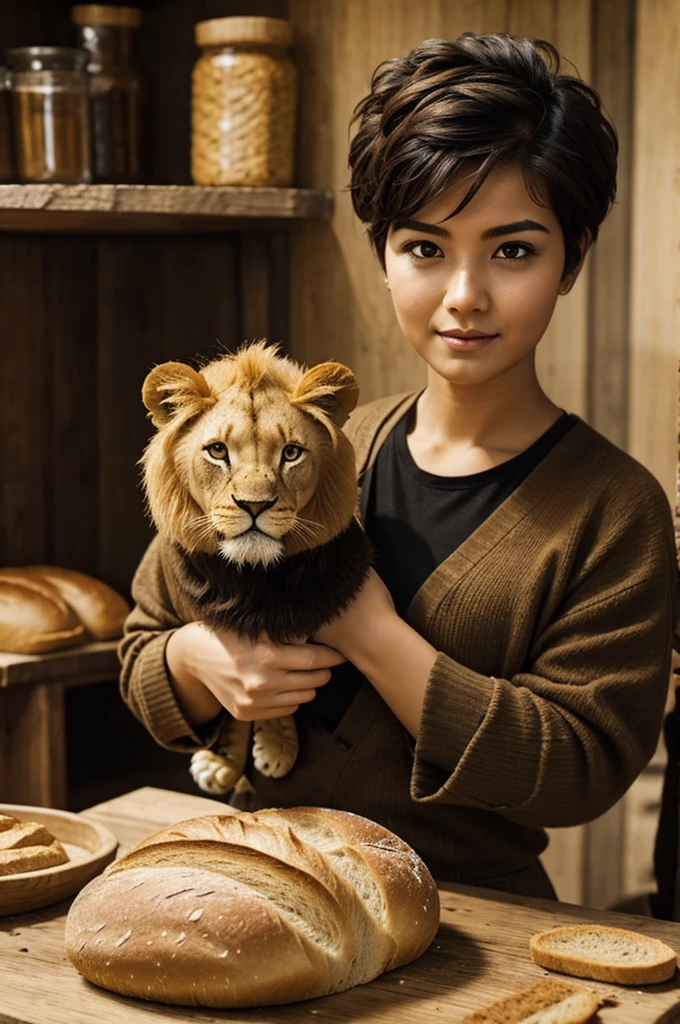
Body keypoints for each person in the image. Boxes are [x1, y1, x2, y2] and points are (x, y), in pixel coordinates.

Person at [120, 32, 678, 900]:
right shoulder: (309, 448)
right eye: (425, 247)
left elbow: (581, 770)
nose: (465, 295)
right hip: (260, 885)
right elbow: (144, 641)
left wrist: (371, 633)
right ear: (382, 250)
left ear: (574, 254)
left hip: (481, 924)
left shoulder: (613, 511)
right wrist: (199, 662)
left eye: (514, 249)